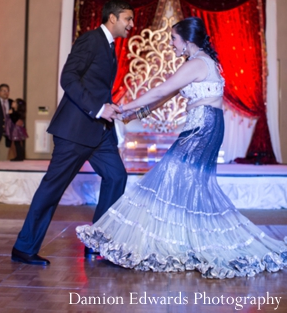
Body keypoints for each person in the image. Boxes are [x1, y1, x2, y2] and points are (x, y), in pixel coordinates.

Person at [76, 17, 287, 279]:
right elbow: (166, 96)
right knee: (191, 186)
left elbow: (161, 89)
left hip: (201, 129)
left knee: (167, 176)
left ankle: (169, 242)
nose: (171, 44)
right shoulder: (201, 62)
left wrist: (124, 106)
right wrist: (133, 114)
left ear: (187, 42)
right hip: (209, 127)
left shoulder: (197, 63)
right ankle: (184, 241)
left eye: (174, 39)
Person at [11, 0, 134, 266]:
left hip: (99, 133)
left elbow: (95, 86)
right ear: (112, 18)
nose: (131, 25)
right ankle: (24, 247)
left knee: (117, 176)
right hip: (75, 131)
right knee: (52, 189)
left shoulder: (110, 47)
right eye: (128, 19)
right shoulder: (91, 40)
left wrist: (108, 108)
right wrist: (99, 109)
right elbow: (68, 78)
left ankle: (98, 242)